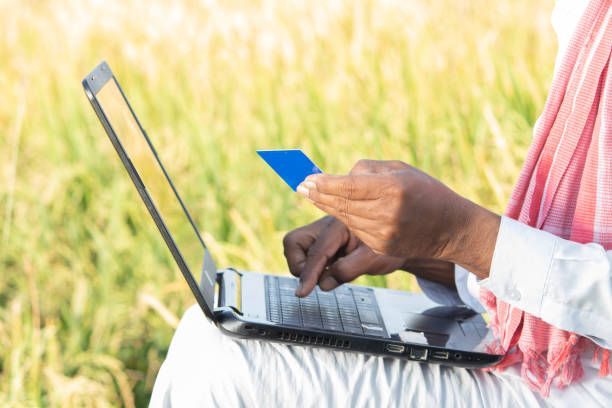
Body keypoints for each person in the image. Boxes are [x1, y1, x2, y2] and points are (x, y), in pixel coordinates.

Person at [150, 0, 612, 406]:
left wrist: (465, 236)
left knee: (220, 362)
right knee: (207, 333)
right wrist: (427, 249)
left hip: (582, 383)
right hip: (551, 354)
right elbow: (563, 252)